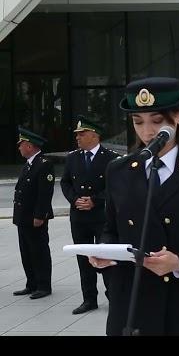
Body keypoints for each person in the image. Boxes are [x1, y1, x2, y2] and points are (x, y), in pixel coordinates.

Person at [89, 77, 179, 336]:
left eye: (157, 121)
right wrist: (105, 252)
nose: (147, 132)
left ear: (178, 116)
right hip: (131, 304)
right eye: (138, 122)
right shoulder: (118, 170)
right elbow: (111, 228)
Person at [60, 116, 121, 314]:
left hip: (102, 217)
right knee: (83, 259)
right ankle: (89, 299)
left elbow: (115, 186)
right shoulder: (73, 157)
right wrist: (74, 199)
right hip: (79, 217)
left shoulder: (110, 158)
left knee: (105, 256)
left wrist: (95, 200)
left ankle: (114, 296)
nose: (78, 138)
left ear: (94, 136)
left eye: (82, 134)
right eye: (77, 135)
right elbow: (65, 182)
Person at [12, 128, 55, 300]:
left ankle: (43, 285)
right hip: (23, 217)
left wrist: (40, 215)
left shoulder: (44, 164)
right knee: (26, 251)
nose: (19, 148)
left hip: (35, 218)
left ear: (29, 146)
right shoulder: (29, 164)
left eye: (21, 145)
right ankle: (31, 283)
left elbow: (45, 193)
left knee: (39, 251)